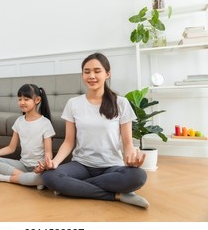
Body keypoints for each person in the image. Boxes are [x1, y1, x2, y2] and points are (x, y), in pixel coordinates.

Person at [42, 52, 150, 208]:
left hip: (112, 166)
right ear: (82, 75)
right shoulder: (73, 103)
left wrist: (130, 160)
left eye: (97, 71)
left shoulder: (121, 103)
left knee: (138, 176)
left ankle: (75, 187)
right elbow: (68, 141)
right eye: (87, 72)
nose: (91, 76)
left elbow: (127, 143)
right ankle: (117, 196)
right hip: (81, 165)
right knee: (50, 176)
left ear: (107, 74)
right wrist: (55, 162)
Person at [0, 84, 55, 189]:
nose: (22, 102)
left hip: (39, 168)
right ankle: (29, 179)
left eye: (26, 99)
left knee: (48, 176)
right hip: (23, 166)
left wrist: (43, 167)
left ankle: (3, 178)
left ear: (37, 100)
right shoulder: (19, 121)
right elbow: (11, 148)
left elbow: (48, 152)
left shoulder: (45, 123)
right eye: (19, 99)